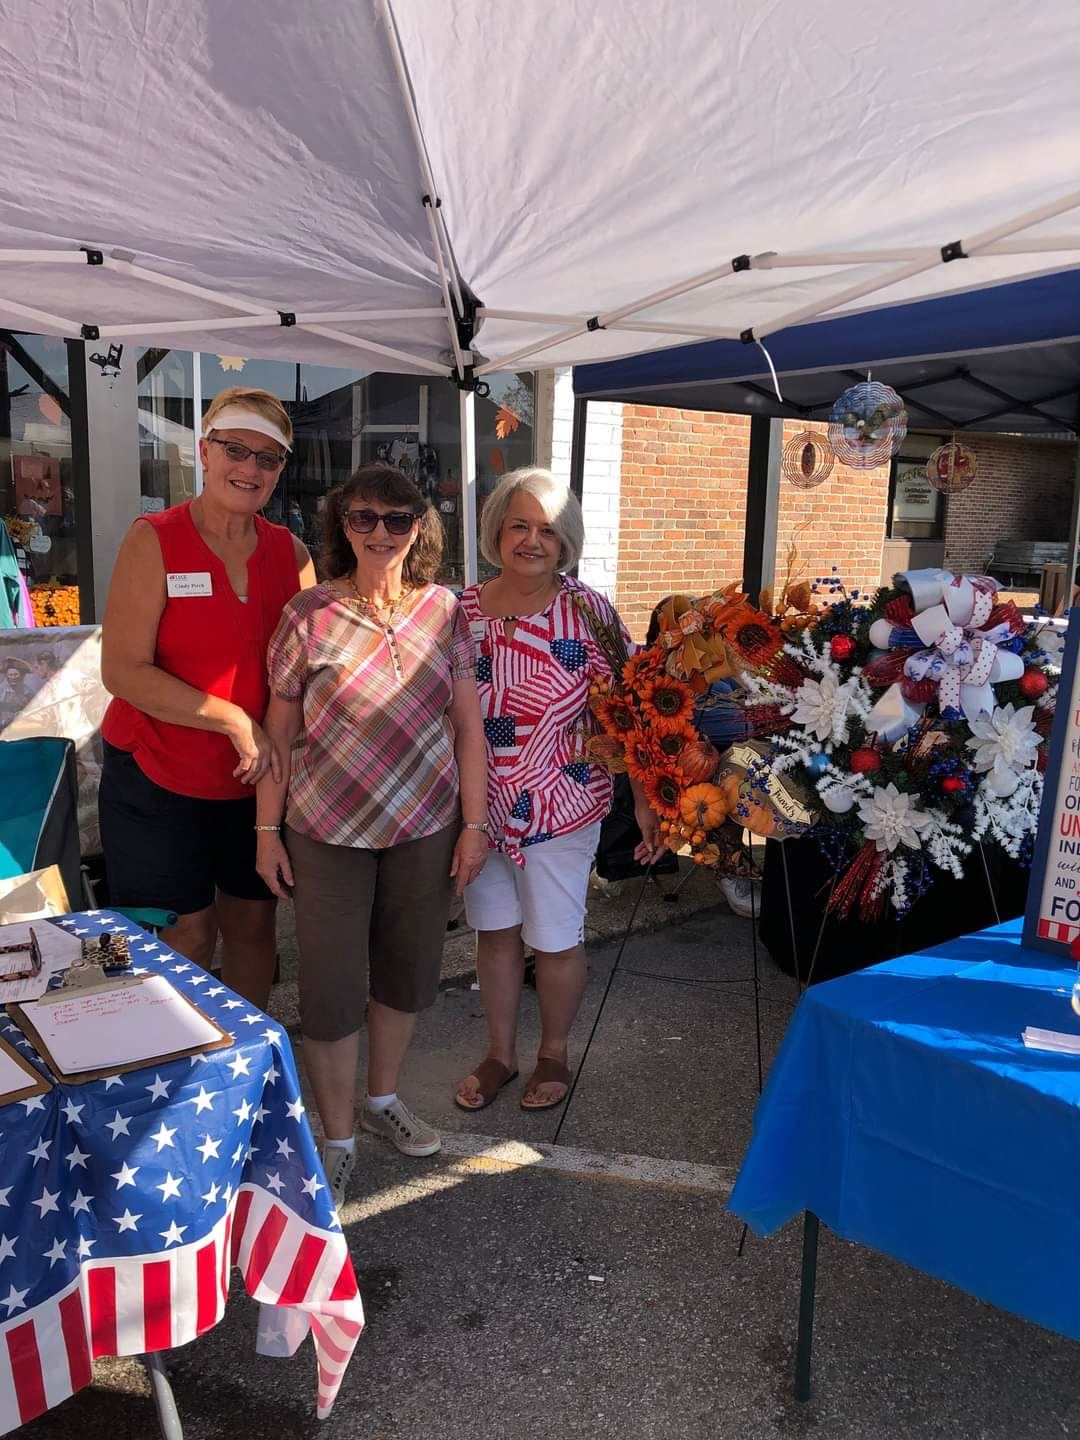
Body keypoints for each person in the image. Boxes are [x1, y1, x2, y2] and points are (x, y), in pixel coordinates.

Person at [255, 464, 488, 1204]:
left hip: (425, 825)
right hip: (325, 829)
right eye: (364, 518)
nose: (381, 532)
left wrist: (473, 826)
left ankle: (382, 1101)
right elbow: (279, 736)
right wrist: (266, 832)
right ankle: (338, 1137)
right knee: (329, 989)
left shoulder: (445, 612)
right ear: (341, 526)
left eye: (397, 518)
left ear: (420, 526)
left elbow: (468, 729)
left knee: (404, 973)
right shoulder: (307, 614)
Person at [455, 467, 664, 1114]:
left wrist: (648, 801)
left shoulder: (588, 610)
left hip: (562, 800)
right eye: (518, 524)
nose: (531, 541)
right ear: (496, 530)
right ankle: (499, 1053)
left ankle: (552, 1052)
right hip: (479, 809)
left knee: (554, 938)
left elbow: (630, 707)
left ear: (565, 540)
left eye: (547, 530)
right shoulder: (458, 611)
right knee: (494, 933)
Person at [98, 386, 315, 1005]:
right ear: (205, 452)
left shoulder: (292, 556)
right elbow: (123, 670)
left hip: (254, 785)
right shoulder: (155, 539)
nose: (249, 469)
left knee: (253, 924)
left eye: (268, 458)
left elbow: (308, 673)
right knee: (181, 935)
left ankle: (238, 1066)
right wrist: (230, 719)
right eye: (235, 450)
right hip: (157, 775)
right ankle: (167, 1067)